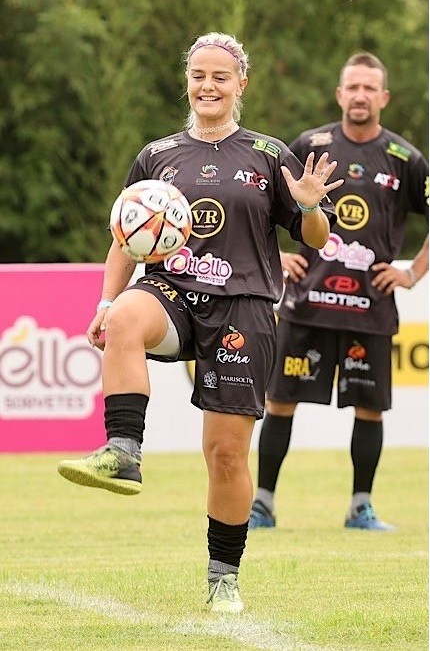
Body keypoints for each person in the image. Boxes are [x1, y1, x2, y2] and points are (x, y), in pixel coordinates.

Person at [57, 32, 340, 614]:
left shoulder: (267, 153)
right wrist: (106, 301)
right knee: (127, 318)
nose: (207, 86)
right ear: (186, 80)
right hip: (174, 292)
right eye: (198, 76)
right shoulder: (157, 156)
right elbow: (124, 237)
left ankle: (223, 578)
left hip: (243, 306)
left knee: (226, 454)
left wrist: (310, 204)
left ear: (241, 84)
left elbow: (317, 238)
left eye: (220, 77)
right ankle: (123, 450)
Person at [248, 52, 429, 532]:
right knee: (279, 402)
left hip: (369, 309)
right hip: (306, 304)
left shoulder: (405, 158)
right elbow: (261, 206)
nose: (360, 95)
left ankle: (360, 507)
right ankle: (262, 504)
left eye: (370, 88)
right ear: (339, 94)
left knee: (369, 408)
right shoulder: (310, 145)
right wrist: (274, 257)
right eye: (353, 87)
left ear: (383, 97)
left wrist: (412, 274)